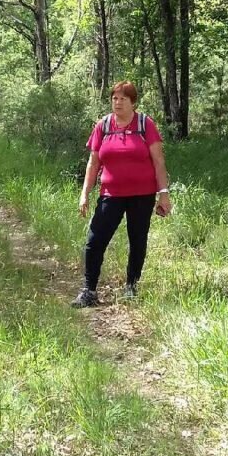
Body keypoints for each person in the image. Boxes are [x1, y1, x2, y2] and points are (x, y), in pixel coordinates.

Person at [73, 81, 172, 307]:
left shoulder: (145, 124)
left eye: (123, 99)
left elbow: (158, 161)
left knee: (137, 240)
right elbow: (93, 163)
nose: (117, 103)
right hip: (111, 193)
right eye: (114, 98)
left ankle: (131, 286)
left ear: (133, 102)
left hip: (142, 195)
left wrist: (163, 194)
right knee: (95, 240)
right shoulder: (103, 125)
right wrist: (85, 193)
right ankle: (89, 290)